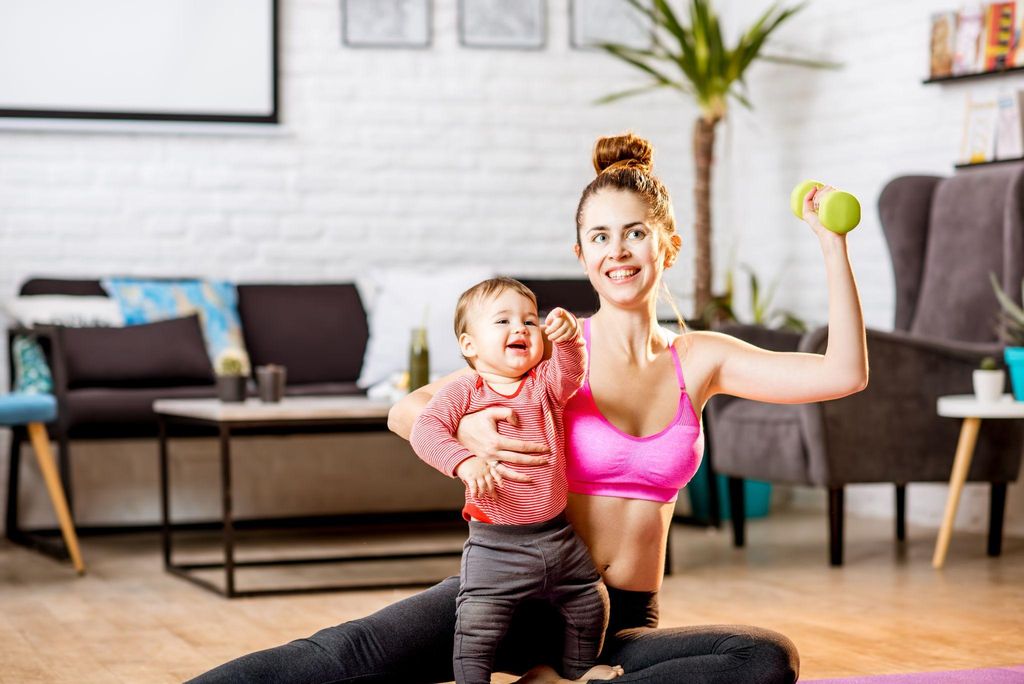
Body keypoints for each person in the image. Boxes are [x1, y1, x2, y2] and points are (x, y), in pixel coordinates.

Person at [190, 131, 866, 683]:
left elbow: (844, 374)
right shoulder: (550, 347)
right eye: (599, 237)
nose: (617, 251)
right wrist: (471, 430)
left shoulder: (702, 358)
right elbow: (408, 409)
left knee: (762, 661)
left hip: (615, 625)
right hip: (509, 595)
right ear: (581, 253)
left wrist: (832, 248)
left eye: (633, 234)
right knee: (341, 658)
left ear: (667, 245)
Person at [410, 276, 620, 684]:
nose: (520, 328)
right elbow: (425, 431)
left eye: (529, 320)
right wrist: (463, 461)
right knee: (476, 624)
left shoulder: (543, 383)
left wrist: (569, 339)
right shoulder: (462, 392)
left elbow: (572, 371)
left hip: (558, 537)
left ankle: (578, 670)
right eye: (502, 321)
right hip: (495, 547)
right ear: (469, 345)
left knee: (589, 601)